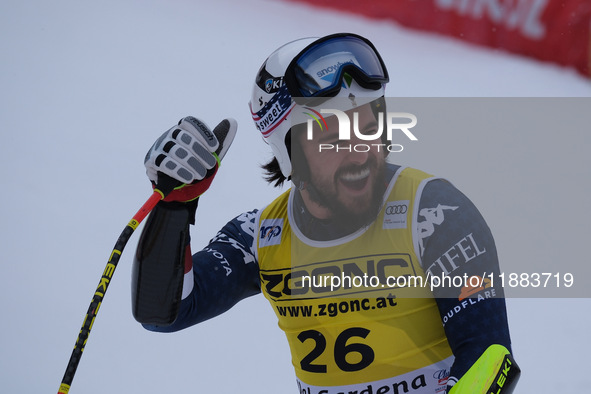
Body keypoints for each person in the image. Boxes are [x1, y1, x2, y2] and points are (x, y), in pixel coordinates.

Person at [131, 33, 520, 393]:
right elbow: (163, 313)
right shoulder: (261, 236)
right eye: (334, 139)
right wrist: (174, 208)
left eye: (370, 130)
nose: (361, 153)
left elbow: (489, 359)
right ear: (290, 152)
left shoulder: (435, 213)